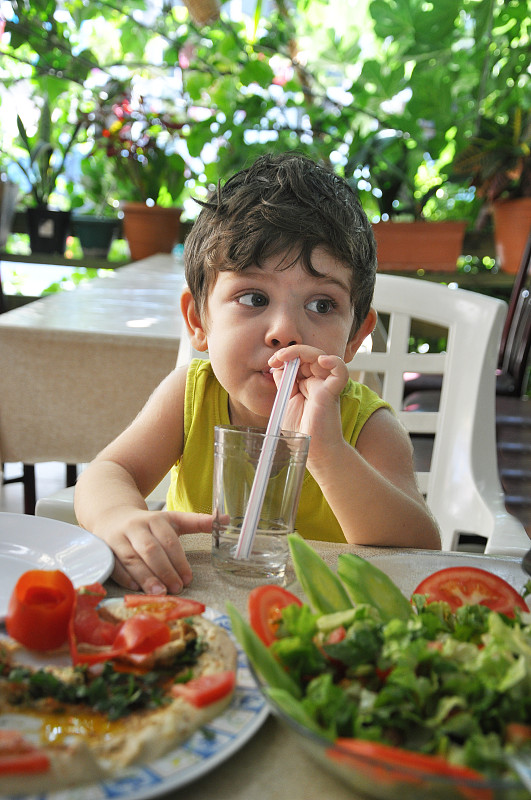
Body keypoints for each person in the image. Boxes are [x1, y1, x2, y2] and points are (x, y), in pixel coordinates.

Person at [74, 152, 441, 595]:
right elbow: (109, 472)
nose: (285, 331)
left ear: (354, 339)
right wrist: (118, 517)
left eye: (322, 305)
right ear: (198, 321)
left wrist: (327, 452)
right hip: (193, 612)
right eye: (253, 298)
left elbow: (420, 546)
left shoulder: (367, 429)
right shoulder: (191, 397)